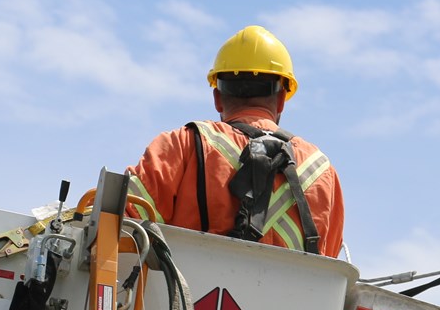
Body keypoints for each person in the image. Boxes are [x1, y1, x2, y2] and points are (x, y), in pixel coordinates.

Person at [125, 25, 344, 258]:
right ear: (281, 100)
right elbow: (327, 264)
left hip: (189, 294)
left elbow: (124, 221)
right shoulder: (322, 171)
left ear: (217, 98)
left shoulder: (183, 145)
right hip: (297, 295)